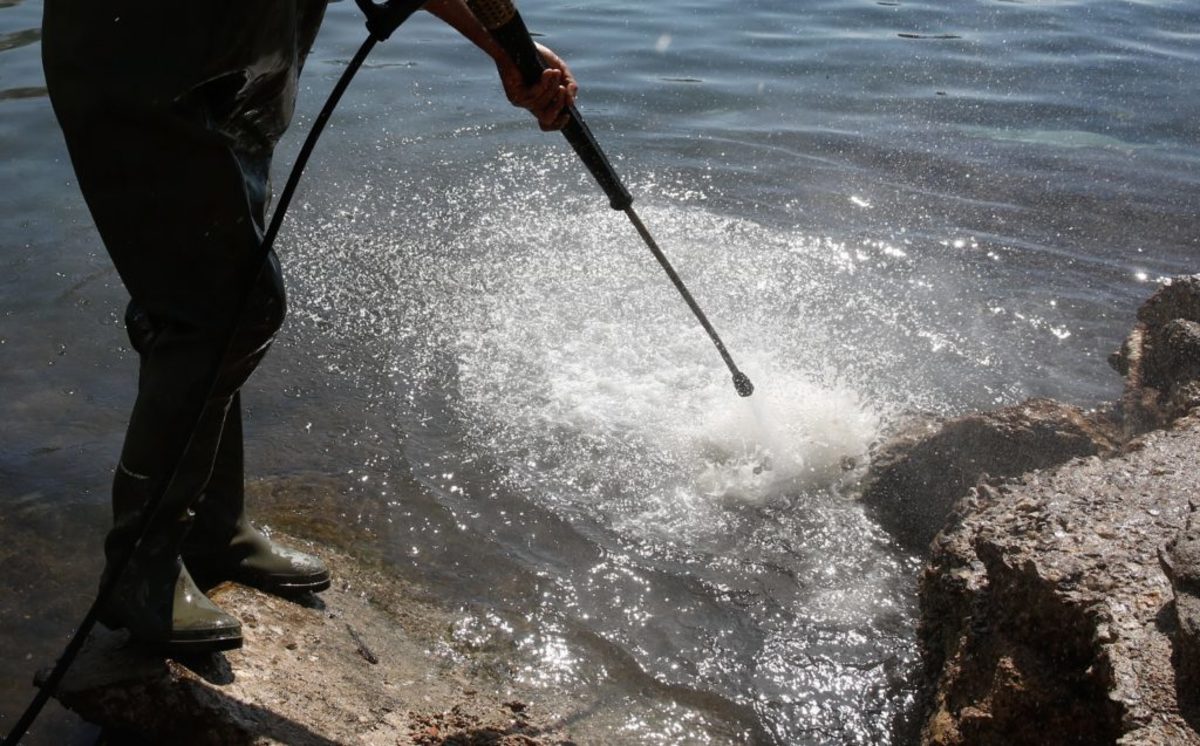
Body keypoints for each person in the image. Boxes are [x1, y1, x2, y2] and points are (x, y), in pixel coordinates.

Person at [41, 0, 577, 655]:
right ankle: (137, 567)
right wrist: (499, 42)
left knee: (213, 287)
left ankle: (211, 528)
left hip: (241, 69)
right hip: (143, 63)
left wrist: (505, 47)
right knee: (223, 308)